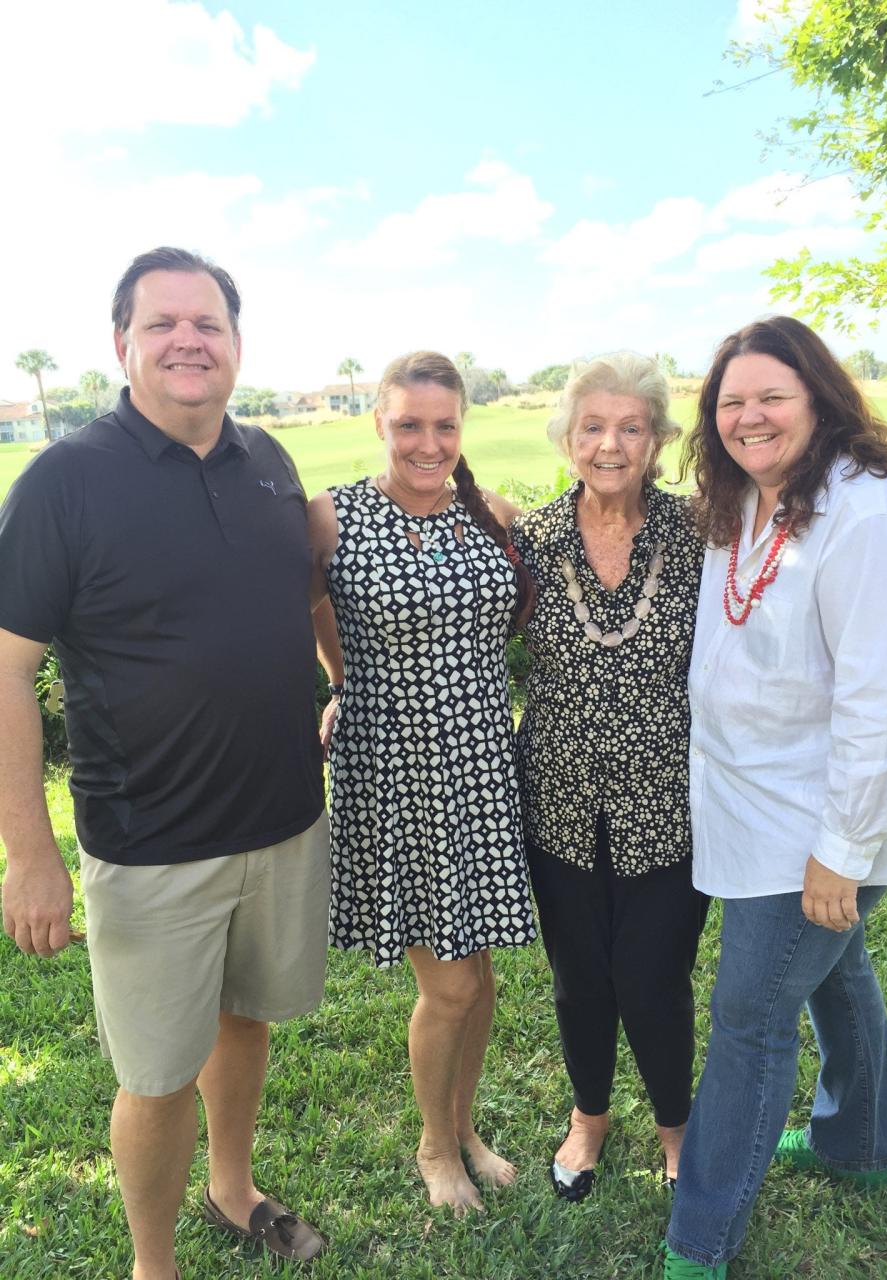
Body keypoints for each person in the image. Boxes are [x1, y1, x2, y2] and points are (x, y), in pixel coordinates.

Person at [0, 247, 330, 1280]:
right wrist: (30, 854)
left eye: (209, 323)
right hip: (150, 846)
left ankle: (233, 1188)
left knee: (246, 1020)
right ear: (122, 345)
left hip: (282, 821)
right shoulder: (64, 482)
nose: (189, 338)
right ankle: (155, 1263)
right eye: (164, 323)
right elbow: (7, 672)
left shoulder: (271, 460)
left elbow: (313, 598)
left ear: (235, 344)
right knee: (153, 1075)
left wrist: (347, 684)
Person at [660, 316, 887, 1279]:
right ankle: (862, 1144)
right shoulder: (754, 499)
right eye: (731, 402)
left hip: (822, 821)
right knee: (834, 971)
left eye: (771, 398)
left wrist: (844, 846)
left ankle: (700, 1239)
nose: (748, 417)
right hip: (756, 804)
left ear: (821, 399)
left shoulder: (872, 517)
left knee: (750, 1013)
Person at [308, 351, 536, 1215]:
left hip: (480, 770)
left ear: (462, 427)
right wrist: (341, 683)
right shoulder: (331, 518)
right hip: (392, 774)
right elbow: (313, 608)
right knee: (446, 985)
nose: (428, 442)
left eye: (444, 425)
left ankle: (465, 1125)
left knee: (479, 977)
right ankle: (435, 1146)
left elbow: (518, 612)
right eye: (410, 424)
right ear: (380, 423)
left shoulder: (493, 514)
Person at [509, 352, 709, 1201]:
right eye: (593, 426)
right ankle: (589, 1117)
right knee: (579, 973)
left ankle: (677, 1126)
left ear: (659, 438)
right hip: (556, 795)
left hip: (671, 797)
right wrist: (346, 689)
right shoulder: (528, 541)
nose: (610, 443)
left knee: (653, 975)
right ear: (567, 436)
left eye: (631, 427)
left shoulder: (704, 532)